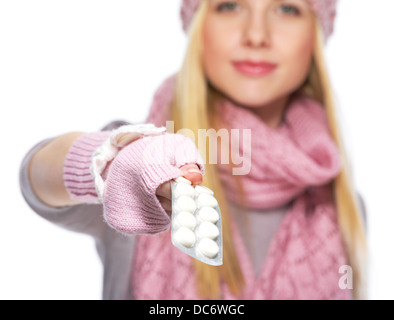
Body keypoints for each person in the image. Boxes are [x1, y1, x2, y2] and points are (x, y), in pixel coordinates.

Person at [20, 0, 367, 300]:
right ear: (198, 23)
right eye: (229, 5)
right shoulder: (142, 162)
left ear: (316, 33)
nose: (257, 35)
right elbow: (35, 178)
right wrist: (107, 166)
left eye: (287, 8)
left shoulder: (344, 206)